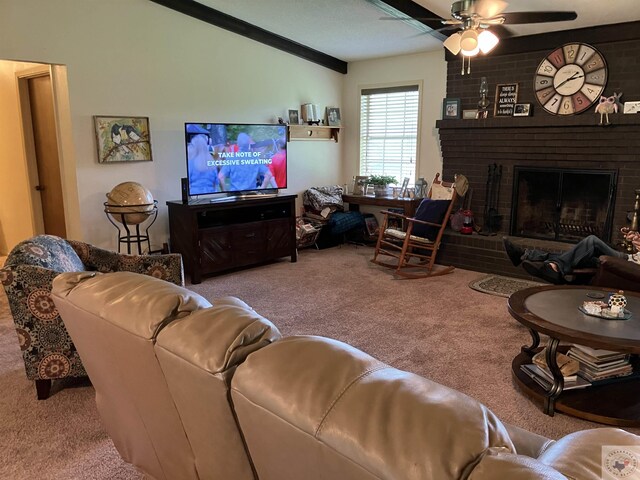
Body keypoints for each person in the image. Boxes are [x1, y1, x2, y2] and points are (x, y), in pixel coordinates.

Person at [503, 228, 640, 284]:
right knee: (577, 255)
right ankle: (527, 255)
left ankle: (552, 265)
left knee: (591, 241)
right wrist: (637, 239)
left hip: (629, 264)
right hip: (630, 258)